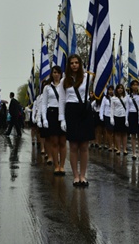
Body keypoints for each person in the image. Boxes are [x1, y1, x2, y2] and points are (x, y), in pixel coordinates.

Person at [57, 54, 94, 187]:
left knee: (84, 146)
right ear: (69, 65)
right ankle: (75, 176)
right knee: (73, 146)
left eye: (76, 63)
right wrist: (62, 119)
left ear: (80, 64)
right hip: (71, 111)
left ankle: (83, 175)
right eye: (72, 63)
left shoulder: (87, 78)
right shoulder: (64, 81)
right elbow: (61, 100)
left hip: (85, 111)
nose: (74, 65)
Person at [42, 65, 66, 175]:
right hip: (51, 113)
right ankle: (56, 165)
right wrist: (44, 118)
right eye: (54, 72)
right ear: (52, 74)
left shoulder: (65, 85)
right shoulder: (47, 87)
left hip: (63, 113)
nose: (56, 74)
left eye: (58, 72)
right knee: (54, 142)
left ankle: (62, 165)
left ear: (61, 74)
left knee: (63, 142)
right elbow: (44, 104)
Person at [110, 84, 129, 155]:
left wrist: (127, 119)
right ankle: (118, 148)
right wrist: (111, 118)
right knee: (117, 133)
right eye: (119, 88)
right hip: (116, 116)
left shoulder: (126, 97)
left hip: (124, 116)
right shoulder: (113, 98)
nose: (120, 89)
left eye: (121, 88)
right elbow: (112, 108)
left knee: (124, 133)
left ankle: (124, 149)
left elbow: (127, 108)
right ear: (116, 90)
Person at [127, 80, 139, 160]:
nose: (135, 86)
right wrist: (126, 119)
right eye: (134, 85)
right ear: (131, 86)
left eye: (137, 85)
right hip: (132, 115)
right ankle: (134, 153)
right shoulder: (128, 96)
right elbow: (127, 108)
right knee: (133, 135)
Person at [99, 86, 114, 152]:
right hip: (107, 116)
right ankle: (110, 145)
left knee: (115, 132)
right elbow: (102, 107)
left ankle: (115, 146)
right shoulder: (105, 98)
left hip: (114, 116)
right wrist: (101, 116)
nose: (110, 91)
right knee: (109, 131)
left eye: (112, 90)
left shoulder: (115, 97)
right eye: (109, 90)